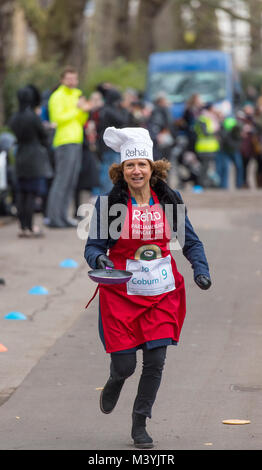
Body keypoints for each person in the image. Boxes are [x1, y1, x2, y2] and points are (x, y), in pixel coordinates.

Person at [84, 127, 211, 449]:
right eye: (130, 166)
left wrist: (201, 269)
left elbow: (190, 240)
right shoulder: (111, 204)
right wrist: (100, 261)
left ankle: (140, 422)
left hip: (161, 290)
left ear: (153, 168)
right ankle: (116, 379)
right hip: (122, 293)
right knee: (126, 365)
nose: (136, 171)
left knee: (155, 361)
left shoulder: (169, 199)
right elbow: (93, 247)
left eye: (141, 164)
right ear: (121, 171)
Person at [46, 66, 89, 228]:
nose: (72, 81)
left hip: (76, 140)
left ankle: (63, 216)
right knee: (61, 181)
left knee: (71, 182)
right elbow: (57, 118)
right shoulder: (57, 96)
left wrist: (84, 111)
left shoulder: (78, 94)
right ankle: (54, 218)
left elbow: (81, 120)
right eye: (69, 78)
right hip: (63, 141)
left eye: (74, 78)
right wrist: (76, 109)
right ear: (62, 80)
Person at [9, 85, 52, 237]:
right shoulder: (33, 116)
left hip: (20, 155)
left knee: (21, 193)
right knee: (31, 193)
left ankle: (22, 227)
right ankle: (29, 227)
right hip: (33, 156)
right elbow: (42, 135)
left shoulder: (15, 117)